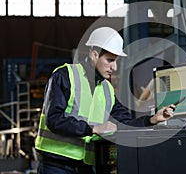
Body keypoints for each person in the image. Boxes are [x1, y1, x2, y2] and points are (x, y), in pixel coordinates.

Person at [34, 27, 176, 174]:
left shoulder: (107, 89)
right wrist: (93, 129)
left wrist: (152, 119)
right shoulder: (65, 76)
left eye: (115, 61)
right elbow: (54, 119)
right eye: (110, 60)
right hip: (56, 164)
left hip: (85, 166)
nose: (114, 67)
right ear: (94, 55)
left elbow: (124, 122)